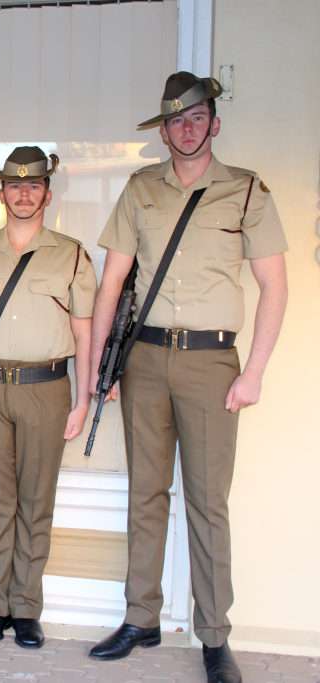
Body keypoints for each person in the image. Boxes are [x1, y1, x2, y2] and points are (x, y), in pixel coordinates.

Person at [87, 72, 287, 683]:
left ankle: (214, 635)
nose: (187, 128)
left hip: (210, 364)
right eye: (176, 120)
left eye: (197, 117)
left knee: (206, 503)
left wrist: (253, 372)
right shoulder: (140, 189)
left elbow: (275, 288)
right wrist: (101, 367)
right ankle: (140, 616)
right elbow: (113, 283)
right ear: (165, 130)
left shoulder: (247, 192)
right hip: (145, 360)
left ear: (214, 123)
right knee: (145, 494)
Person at [0, 147, 96, 648]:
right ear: (1, 193)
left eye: (33, 185)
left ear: (47, 193)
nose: (23, 193)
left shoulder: (72, 254)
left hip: (46, 388)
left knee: (36, 502)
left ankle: (27, 608)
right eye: (14, 185)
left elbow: (85, 333)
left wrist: (83, 400)